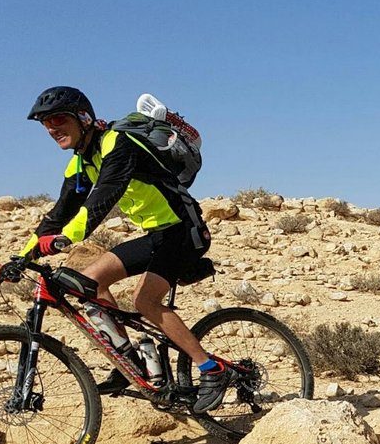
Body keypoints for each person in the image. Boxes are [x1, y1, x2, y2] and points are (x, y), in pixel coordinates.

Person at [21, 86, 232, 412]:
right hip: (157, 235)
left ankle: (211, 368)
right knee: (91, 282)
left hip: (184, 231)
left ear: (83, 117)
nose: (52, 129)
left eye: (58, 119)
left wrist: (65, 239)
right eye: (46, 124)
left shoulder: (117, 143)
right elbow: (59, 212)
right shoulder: (81, 161)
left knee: (144, 301)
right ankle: (129, 361)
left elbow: (103, 197)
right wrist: (24, 254)